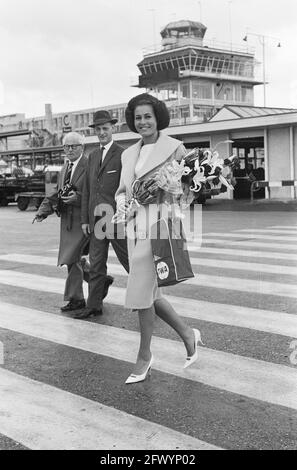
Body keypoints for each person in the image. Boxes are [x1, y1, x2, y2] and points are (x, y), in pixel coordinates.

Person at [115, 93, 203, 384]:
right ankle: (188, 334)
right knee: (151, 293)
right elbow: (122, 190)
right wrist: (122, 205)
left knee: (140, 291)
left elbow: (188, 191)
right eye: (138, 117)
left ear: (158, 118)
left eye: (148, 116)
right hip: (133, 227)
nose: (143, 122)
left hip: (161, 227)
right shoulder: (128, 154)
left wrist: (173, 191)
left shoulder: (175, 148)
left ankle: (144, 356)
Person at [78, 110, 129, 319]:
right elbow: (87, 191)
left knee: (130, 262)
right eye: (98, 129)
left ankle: (151, 300)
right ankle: (94, 305)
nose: (101, 132)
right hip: (96, 219)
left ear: (112, 128)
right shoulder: (92, 156)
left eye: (105, 128)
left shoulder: (123, 154)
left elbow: (126, 188)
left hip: (116, 219)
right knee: (96, 263)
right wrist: (85, 219)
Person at [33, 132, 90, 312]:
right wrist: (43, 211)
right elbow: (58, 193)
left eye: (74, 146)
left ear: (82, 147)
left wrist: (79, 198)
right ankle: (101, 280)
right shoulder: (65, 167)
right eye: (67, 146)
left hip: (83, 221)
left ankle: (76, 299)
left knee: (72, 257)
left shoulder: (89, 165)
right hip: (67, 221)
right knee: (74, 259)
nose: (70, 149)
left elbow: (96, 193)